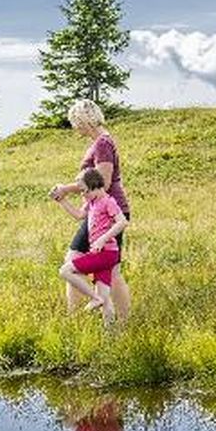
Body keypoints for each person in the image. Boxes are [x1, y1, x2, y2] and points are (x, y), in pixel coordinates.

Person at [48, 99, 132, 320]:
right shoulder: (100, 142)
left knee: (104, 270)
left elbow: (101, 182)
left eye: (75, 122)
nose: (74, 127)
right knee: (83, 264)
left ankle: (112, 320)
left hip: (109, 213)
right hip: (97, 211)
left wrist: (66, 188)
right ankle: (83, 317)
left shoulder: (103, 144)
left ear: (85, 120)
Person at [52, 167, 128, 325]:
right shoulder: (92, 202)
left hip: (106, 253)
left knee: (65, 270)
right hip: (104, 253)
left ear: (95, 186)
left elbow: (122, 222)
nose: (82, 195)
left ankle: (94, 298)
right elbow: (79, 216)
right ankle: (112, 337)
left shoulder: (108, 201)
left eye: (84, 191)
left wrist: (102, 239)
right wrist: (62, 201)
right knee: (105, 298)